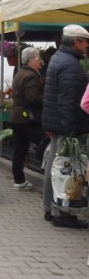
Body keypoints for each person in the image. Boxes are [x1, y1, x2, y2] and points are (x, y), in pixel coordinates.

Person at [42, 25, 89, 229]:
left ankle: (50, 208)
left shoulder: (58, 58)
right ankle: (61, 212)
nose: (87, 45)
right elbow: (68, 101)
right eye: (86, 41)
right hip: (65, 124)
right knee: (64, 169)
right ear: (77, 41)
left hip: (57, 122)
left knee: (55, 165)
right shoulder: (71, 65)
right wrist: (71, 130)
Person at [9, 47, 45, 190]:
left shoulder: (20, 73)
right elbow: (33, 99)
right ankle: (45, 169)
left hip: (16, 117)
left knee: (20, 149)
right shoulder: (30, 76)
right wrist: (49, 97)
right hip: (26, 118)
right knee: (44, 141)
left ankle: (19, 181)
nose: (40, 62)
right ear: (31, 60)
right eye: (38, 59)